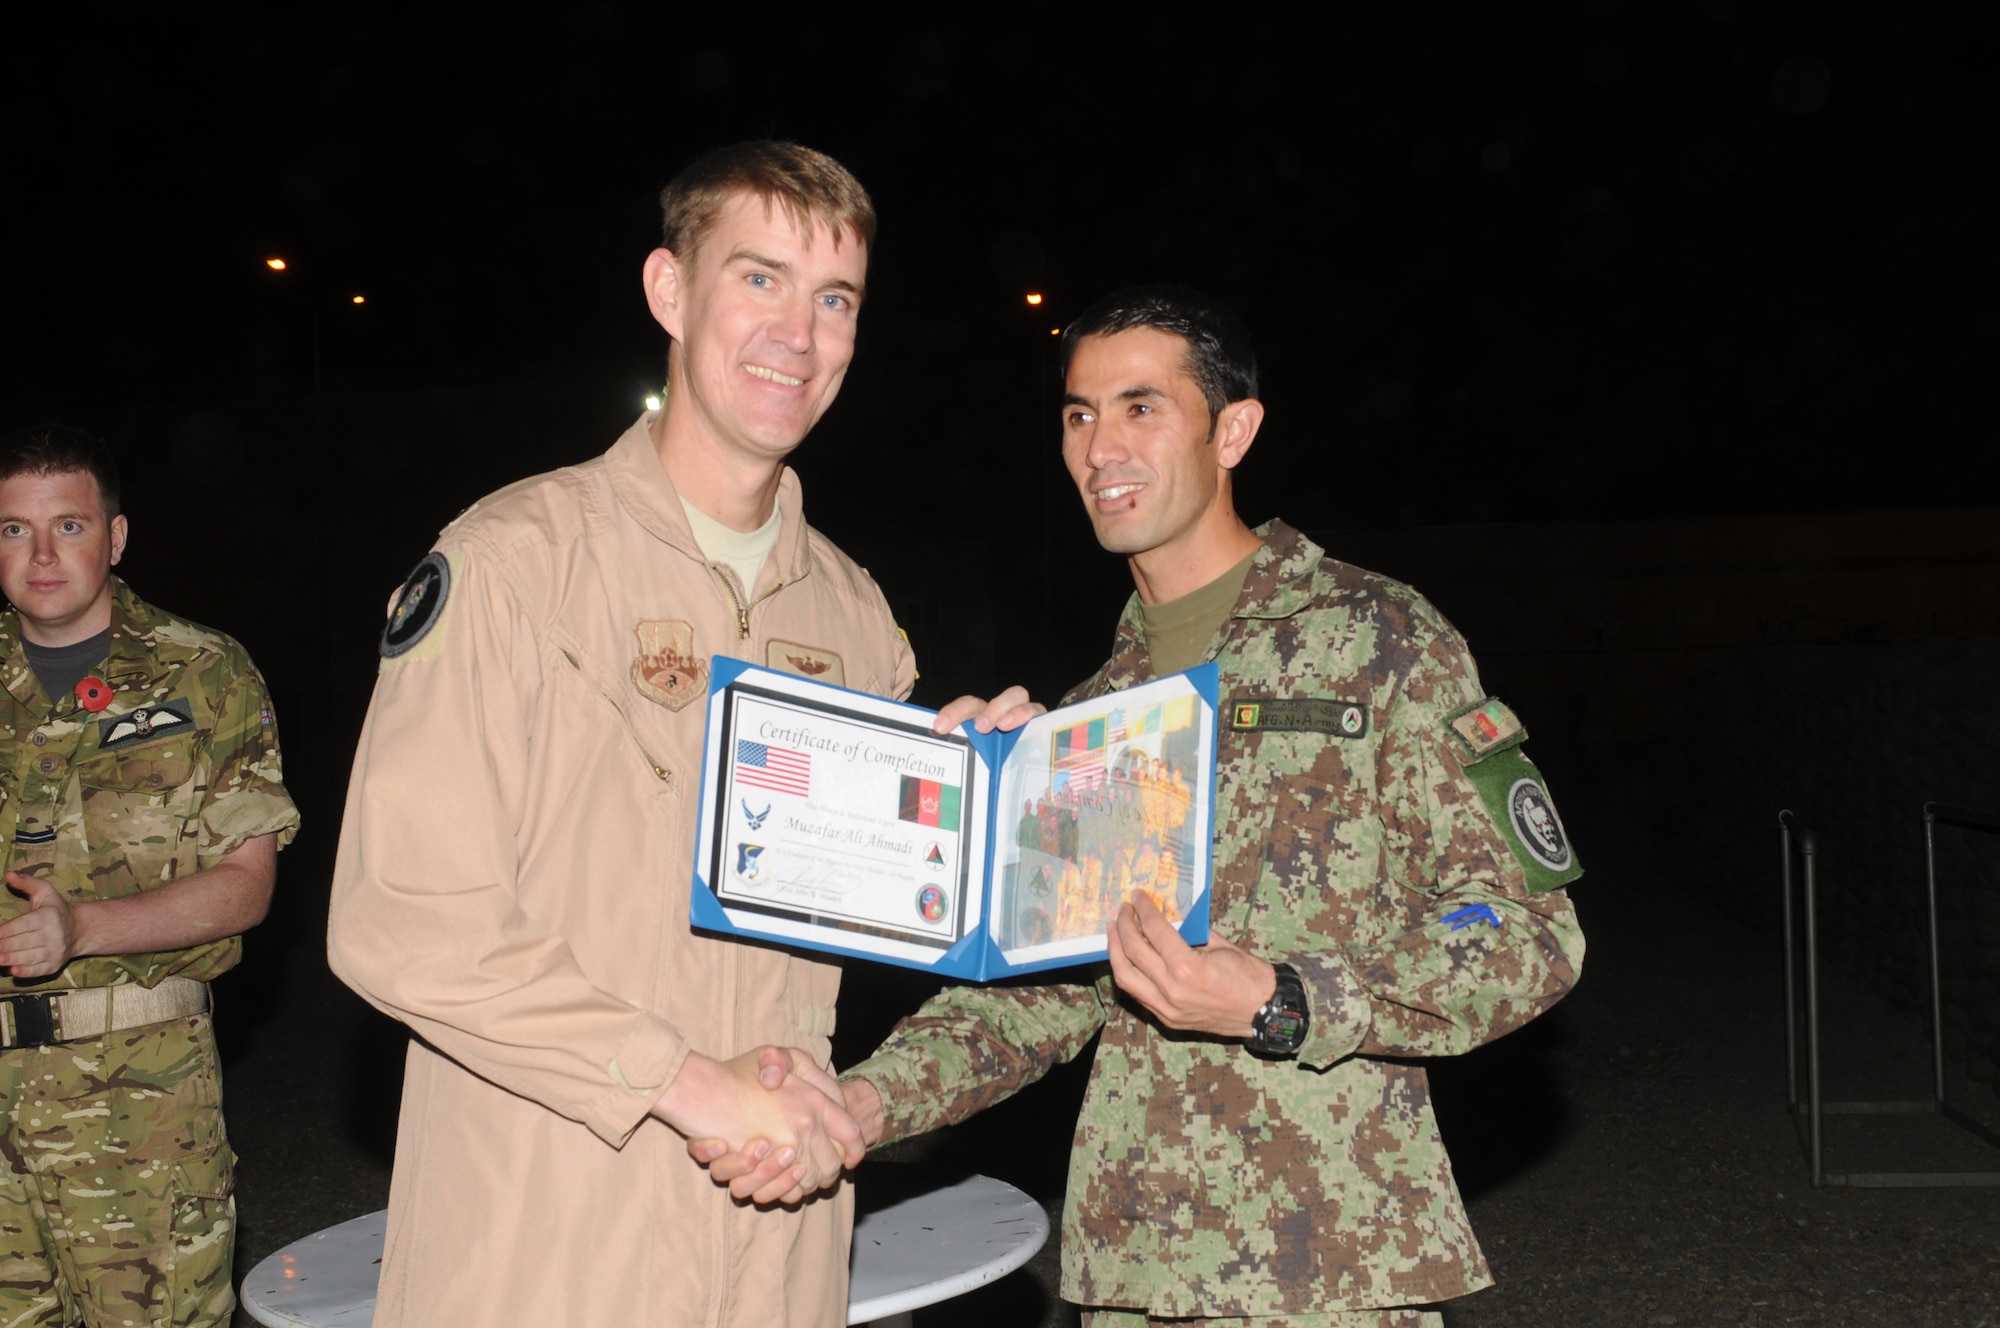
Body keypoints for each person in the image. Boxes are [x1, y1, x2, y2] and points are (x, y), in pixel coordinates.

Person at [700, 285, 1587, 1327]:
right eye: (1077, 413)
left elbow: (1524, 932)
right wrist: (859, 1102)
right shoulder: (1088, 721)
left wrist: (1279, 994)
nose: (1098, 447)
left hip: (1328, 1271)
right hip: (1133, 1273)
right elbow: (1039, 993)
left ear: (1233, 430)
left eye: (1139, 407)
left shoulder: (1376, 639)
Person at [326, 141, 1024, 1328]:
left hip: (774, 1242)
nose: (795, 334)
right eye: (758, 279)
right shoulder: (518, 561)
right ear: (668, 289)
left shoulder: (853, 614)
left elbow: (863, 905)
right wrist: (683, 1083)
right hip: (546, 1242)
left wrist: (968, 792)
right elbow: (401, 915)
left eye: (833, 298)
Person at [0, 424, 298, 1328]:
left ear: (116, 537)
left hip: (140, 1112)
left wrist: (84, 928)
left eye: (69, 526)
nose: (41, 554)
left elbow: (247, 884)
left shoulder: (204, 674)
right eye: (13, 529)